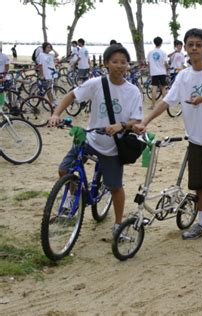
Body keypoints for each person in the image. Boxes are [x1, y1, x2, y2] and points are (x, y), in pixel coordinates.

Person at [133, 28, 202, 240]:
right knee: (199, 185)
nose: (194, 48)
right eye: (191, 45)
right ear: (185, 48)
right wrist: (145, 121)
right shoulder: (183, 76)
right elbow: (166, 102)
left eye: (199, 44)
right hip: (195, 139)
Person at [49, 45, 143, 237]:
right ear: (106, 63)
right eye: (114, 61)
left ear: (128, 65)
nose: (119, 66)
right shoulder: (96, 83)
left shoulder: (133, 91)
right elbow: (71, 95)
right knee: (64, 169)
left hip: (113, 147)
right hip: (90, 138)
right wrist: (56, 114)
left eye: (123, 62)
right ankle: (75, 196)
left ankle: (118, 225)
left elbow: (137, 121)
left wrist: (121, 125)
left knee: (115, 187)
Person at [147, 36, 168, 110]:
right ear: (161, 43)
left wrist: (149, 72)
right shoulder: (163, 52)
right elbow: (165, 63)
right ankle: (164, 105)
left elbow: (148, 63)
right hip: (162, 72)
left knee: (154, 88)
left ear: (154, 43)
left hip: (154, 72)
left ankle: (153, 105)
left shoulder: (150, 52)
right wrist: (167, 70)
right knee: (163, 88)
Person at [37, 42, 59, 106]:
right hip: (47, 74)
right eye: (48, 47)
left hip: (53, 73)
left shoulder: (50, 55)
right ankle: (51, 102)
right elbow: (40, 65)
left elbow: (57, 54)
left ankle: (54, 100)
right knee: (48, 89)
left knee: (55, 87)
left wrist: (53, 49)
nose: (49, 49)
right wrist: (42, 74)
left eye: (50, 47)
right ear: (44, 48)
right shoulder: (41, 54)